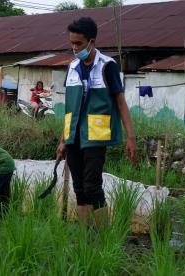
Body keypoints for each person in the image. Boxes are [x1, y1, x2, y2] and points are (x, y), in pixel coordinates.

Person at [56, 17, 136, 229]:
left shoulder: (107, 66)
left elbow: (121, 103)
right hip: (73, 136)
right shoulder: (72, 67)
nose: (74, 48)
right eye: (72, 43)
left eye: (79, 43)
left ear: (92, 41)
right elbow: (69, 108)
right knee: (79, 188)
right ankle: (84, 237)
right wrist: (63, 139)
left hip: (95, 136)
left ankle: (103, 237)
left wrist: (131, 137)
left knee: (93, 187)